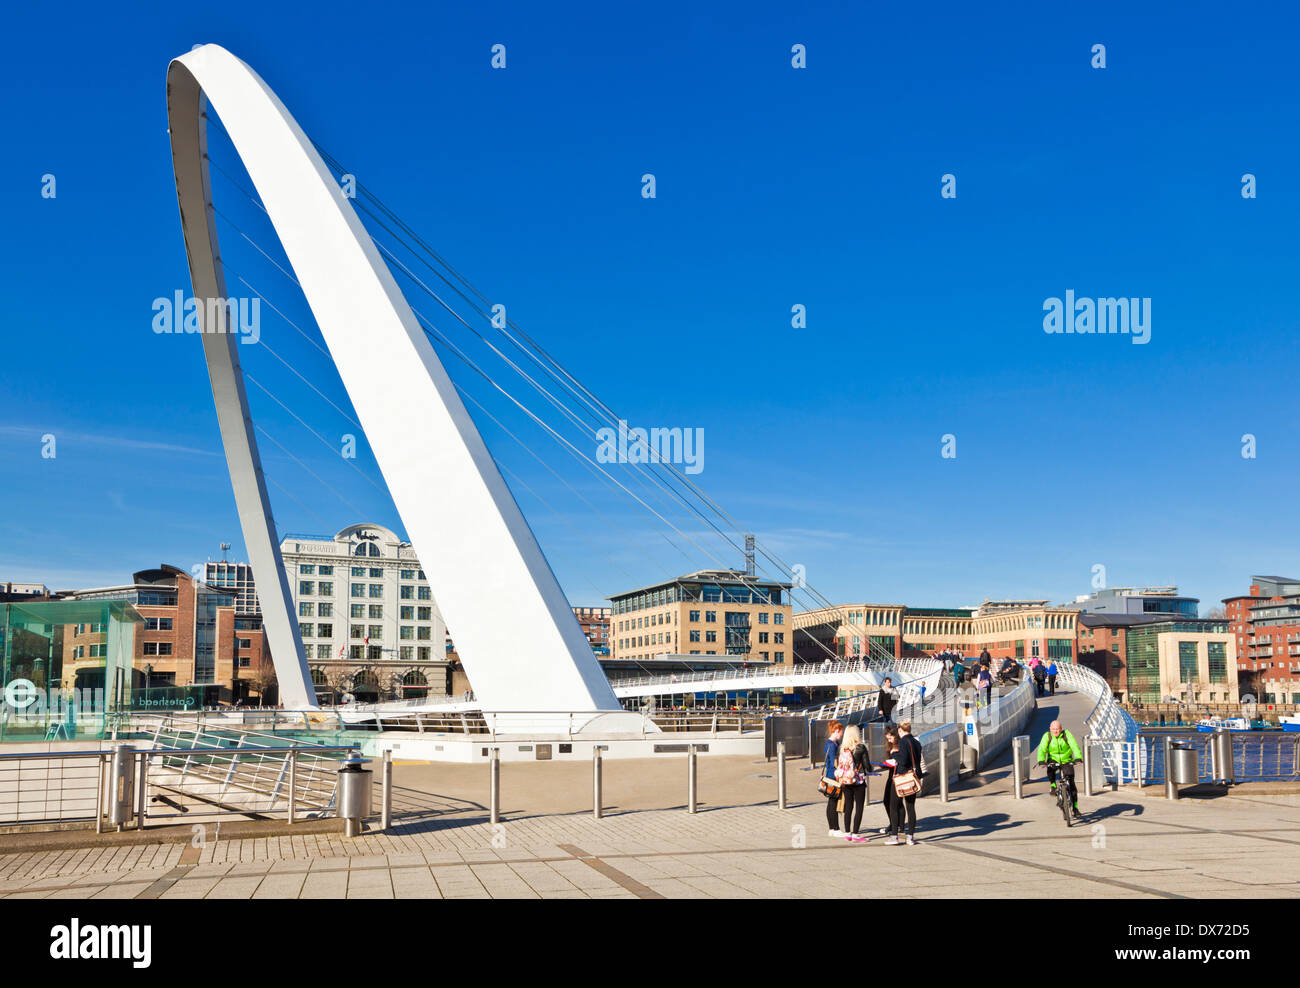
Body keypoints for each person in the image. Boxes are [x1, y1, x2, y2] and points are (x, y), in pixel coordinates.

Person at [1036, 719, 1083, 817]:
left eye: (1057, 729)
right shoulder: (1047, 736)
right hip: (1053, 759)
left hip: (1066, 760)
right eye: (1053, 729)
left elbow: (1074, 746)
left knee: (1072, 784)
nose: (1055, 731)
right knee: (1050, 769)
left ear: (1061, 729)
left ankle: (1075, 808)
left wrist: (1078, 758)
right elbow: (1041, 749)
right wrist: (1041, 760)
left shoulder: (1067, 734)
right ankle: (1053, 785)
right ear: (1050, 729)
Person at [890, 719, 925, 845]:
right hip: (913, 778)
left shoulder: (904, 742)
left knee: (893, 806)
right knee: (910, 807)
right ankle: (910, 836)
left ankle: (894, 836)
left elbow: (903, 760)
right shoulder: (916, 742)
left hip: (902, 778)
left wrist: (893, 754)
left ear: (900, 730)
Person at [836, 725, 869, 840]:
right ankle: (855, 833)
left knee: (848, 806)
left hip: (845, 780)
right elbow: (867, 766)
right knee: (859, 807)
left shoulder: (842, 748)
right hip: (858, 780)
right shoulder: (860, 747)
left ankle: (847, 833)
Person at [878, 727, 901, 840]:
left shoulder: (899, 746)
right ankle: (894, 824)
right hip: (891, 775)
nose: (889, 740)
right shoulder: (891, 745)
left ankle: (896, 826)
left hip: (898, 777)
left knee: (896, 803)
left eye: (890, 737)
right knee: (887, 801)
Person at [822, 720, 845, 837]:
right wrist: (838, 772)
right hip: (833, 776)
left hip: (829, 775)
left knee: (831, 802)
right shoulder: (832, 744)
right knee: (833, 802)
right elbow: (832, 762)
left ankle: (832, 828)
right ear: (837, 731)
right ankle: (835, 828)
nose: (842, 734)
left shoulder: (830, 743)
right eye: (841, 732)